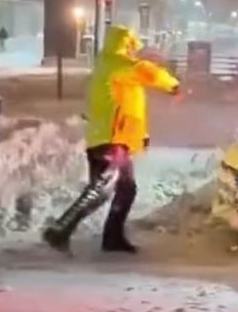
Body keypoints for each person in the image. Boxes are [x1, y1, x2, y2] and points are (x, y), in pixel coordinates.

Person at [43, 25, 180, 254]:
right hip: (113, 141)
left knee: (102, 190)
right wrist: (173, 85)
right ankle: (67, 232)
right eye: (131, 47)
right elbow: (149, 73)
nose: (133, 52)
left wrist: (139, 137)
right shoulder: (117, 64)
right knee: (118, 189)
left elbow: (125, 105)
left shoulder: (106, 66)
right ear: (125, 44)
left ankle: (72, 232)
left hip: (107, 138)